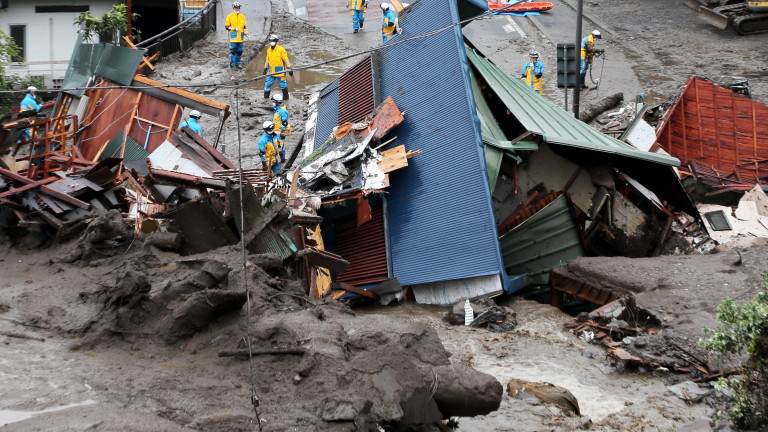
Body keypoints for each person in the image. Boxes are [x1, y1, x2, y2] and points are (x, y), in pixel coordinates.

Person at [263, 34, 293, 101]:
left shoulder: (281, 50)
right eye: (271, 41)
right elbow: (267, 60)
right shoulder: (268, 50)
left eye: (273, 41)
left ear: (276, 41)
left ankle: (286, 98)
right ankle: (266, 99)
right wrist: (265, 68)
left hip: (280, 72)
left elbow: (286, 59)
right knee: (267, 85)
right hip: (271, 71)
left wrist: (289, 68)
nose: (272, 42)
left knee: (283, 85)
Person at [225, 2, 248, 68]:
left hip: (240, 37)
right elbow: (227, 27)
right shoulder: (229, 16)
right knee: (234, 51)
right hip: (233, 37)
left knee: (239, 51)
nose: (237, 9)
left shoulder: (242, 16)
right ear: (233, 8)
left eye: (238, 8)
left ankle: (237, 64)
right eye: (235, 8)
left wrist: (246, 33)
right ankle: (232, 64)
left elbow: (244, 27)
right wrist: (234, 29)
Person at [271, 93, 290, 163]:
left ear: (278, 102)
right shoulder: (277, 109)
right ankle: (281, 159)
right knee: (278, 145)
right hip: (276, 130)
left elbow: (284, 122)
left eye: (274, 101)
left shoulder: (282, 111)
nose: (273, 103)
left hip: (280, 131)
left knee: (278, 147)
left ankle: (281, 160)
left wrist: (282, 131)